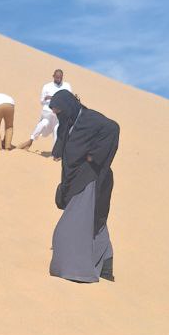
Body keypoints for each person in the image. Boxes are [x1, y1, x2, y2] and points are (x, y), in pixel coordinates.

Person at [47, 90, 119, 283]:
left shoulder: (89, 118)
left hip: (91, 178)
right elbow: (64, 140)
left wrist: (93, 156)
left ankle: (74, 270)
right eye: (55, 112)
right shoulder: (69, 122)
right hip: (77, 178)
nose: (57, 114)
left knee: (69, 226)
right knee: (94, 221)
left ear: (68, 106)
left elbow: (113, 128)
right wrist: (58, 152)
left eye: (59, 110)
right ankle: (105, 267)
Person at [16, 69, 72, 151]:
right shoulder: (47, 86)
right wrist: (54, 99)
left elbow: (69, 98)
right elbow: (42, 101)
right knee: (43, 124)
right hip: (48, 112)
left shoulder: (67, 86)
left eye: (60, 78)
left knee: (57, 130)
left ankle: (55, 152)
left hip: (60, 115)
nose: (59, 79)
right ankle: (30, 141)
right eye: (57, 77)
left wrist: (52, 97)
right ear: (53, 76)